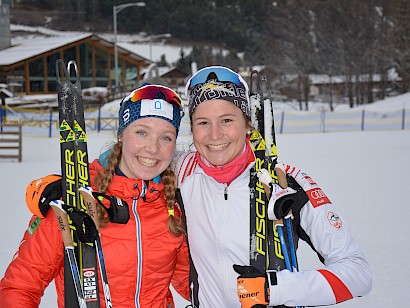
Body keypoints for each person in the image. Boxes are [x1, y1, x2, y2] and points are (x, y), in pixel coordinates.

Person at [171, 66, 372, 307]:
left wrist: (275, 289)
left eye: (227, 120)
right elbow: (133, 156)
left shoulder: (286, 182)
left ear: (247, 124)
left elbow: (358, 274)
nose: (215, 135)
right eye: (203, 122)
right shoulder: (181, 172)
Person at [0, 85, 190, 307]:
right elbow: (20, 287)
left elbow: (192, 286)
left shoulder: (172, 203)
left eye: (166, 137)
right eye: (141, 132)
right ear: (122, 134)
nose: (153, 148)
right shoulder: (73, 197)